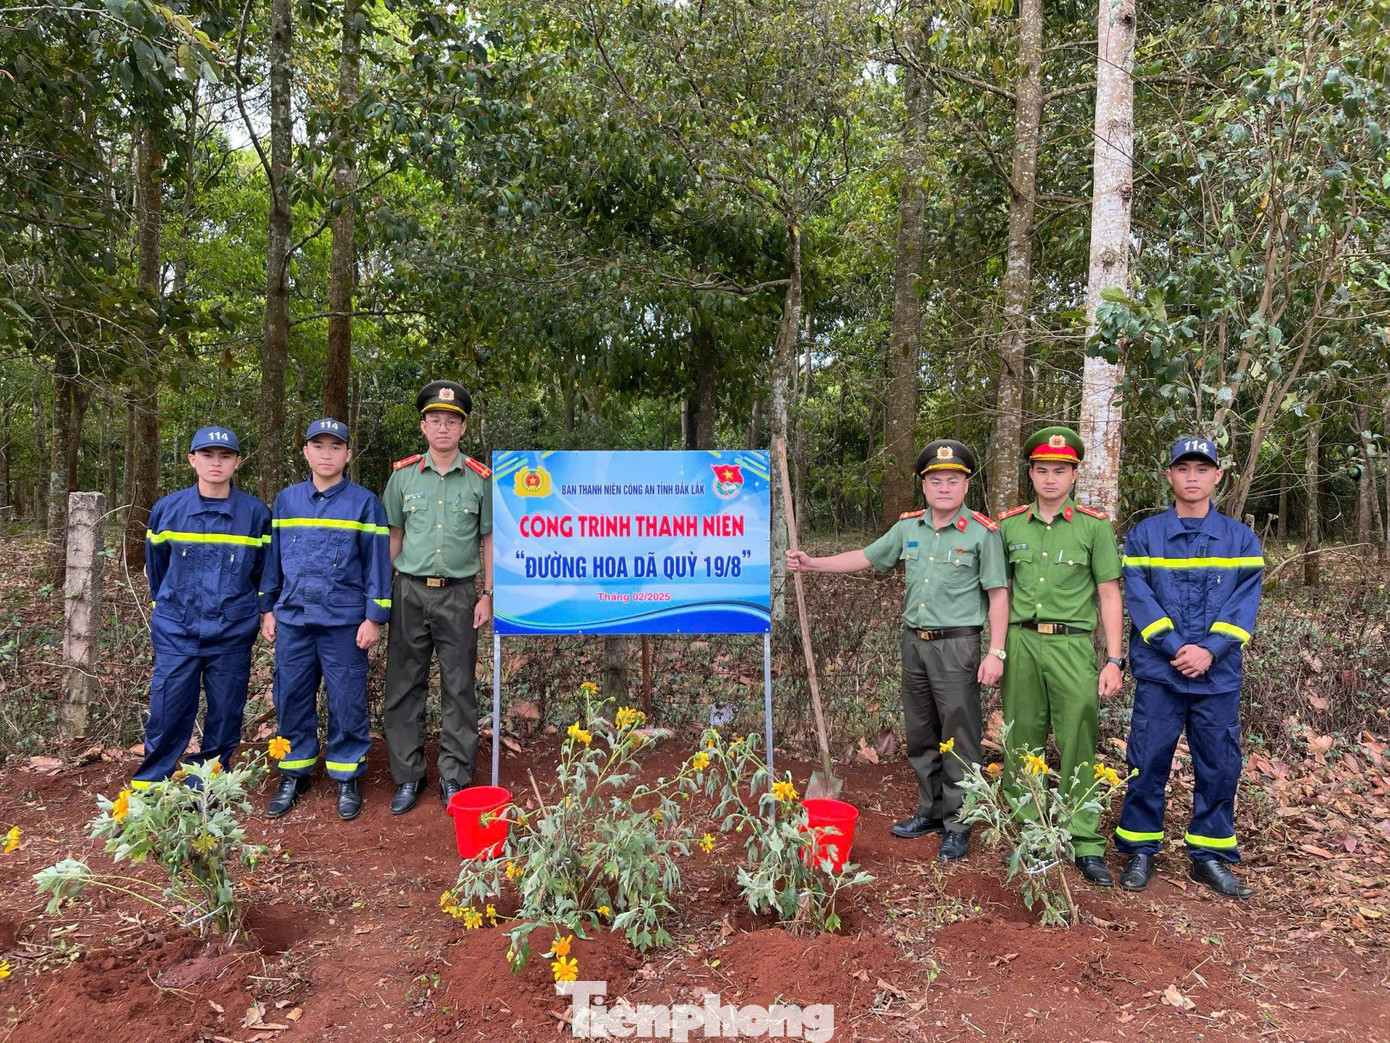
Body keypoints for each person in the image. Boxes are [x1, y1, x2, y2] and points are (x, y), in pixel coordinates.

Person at [787, 440, 1008, 862]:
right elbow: (866, 557)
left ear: (966, 486)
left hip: (958, 646)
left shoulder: (983, 532)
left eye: (953, 480)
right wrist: (812, 563)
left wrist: (995, 653)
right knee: (922, 733)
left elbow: (999, 595)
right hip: (915, 644)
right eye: (936, 480)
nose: (944, 488)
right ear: (924, 487)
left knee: (959, 736)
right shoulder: (909, 528)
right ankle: (930, 811)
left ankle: (959, 824)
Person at [1114, 437, 1263, 898]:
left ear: (1218, 476)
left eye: (1202, 468)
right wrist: (1178, 647)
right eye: (1184, 468)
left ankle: (1210, 855)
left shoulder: (1240, 538)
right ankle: (1139, 850)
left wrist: (1210, 650)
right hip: (1161, 672)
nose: (1193, 476)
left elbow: (1245, 602)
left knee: (1219, 764)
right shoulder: (1145, 535)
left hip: (1216, 677)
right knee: (1147, 758)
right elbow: (1139, 596)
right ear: (1170, 476)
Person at [996, 426, 1124, 887]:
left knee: (1077, 739)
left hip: (1072, 644)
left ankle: (1084, 840)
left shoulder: (1094, 526)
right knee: (1023, 739)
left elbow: (1110, 594)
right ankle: (1032, 833)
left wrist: (1114, 659)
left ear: (1074, 475)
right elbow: (1001, 593)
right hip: (1022, 642)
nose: (1051, 478)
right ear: (1031, 473)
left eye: (1061, 470)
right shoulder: (1008, 526)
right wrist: (996, 649)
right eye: (1042, 469)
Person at [259, 419, 392, 821]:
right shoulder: (286, 501)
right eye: (319, 446)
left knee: (347, 700)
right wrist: (268, 608)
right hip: (294, 620)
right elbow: (273, 558)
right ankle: (294, 772)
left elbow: (377, 565)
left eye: (336, 447)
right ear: (306, 452)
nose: (327, 453)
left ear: (348, 454)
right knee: (292, 696)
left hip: (344, 622)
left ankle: (347, 774)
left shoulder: (365, 502)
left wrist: (374, 617)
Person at [132, 427, 271, 788]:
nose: (216, 463)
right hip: (177, 629)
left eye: (225, 456)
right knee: (168, 709)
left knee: (225, 712)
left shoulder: (255, 514)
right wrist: (168, 609)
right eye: (208, 455)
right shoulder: (167, 510)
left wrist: (248, 612)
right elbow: (157, 569)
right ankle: (151, 785)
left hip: (231, 631)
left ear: (237, 463)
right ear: (192, 459)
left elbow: (262, 572)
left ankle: (205, 786)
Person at [382, 381, 494, 815]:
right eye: (436, 420)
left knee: (459, 686)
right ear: (424, 425)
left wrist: (487, 593)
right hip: (409, 591)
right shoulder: (403, 476)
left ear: (463, 427)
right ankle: (408, 776)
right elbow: (394, 536)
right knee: (404, 685)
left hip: (460, 595)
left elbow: (488, 540)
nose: (443, 427)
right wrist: (380, 592)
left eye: (452, 421)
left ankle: (454, 775)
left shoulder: (481, 480)